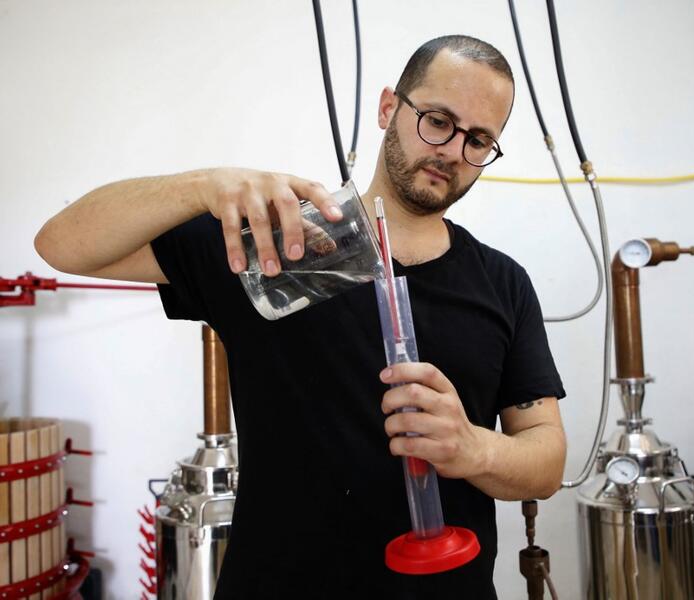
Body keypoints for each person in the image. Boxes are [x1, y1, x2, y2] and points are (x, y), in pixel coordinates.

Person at [35, 35, 566, 599]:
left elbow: (545, 458)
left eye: (479, 140)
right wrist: (205, 187)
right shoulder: (279, 246)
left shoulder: (502, 283)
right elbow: (62, 244)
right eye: (438, 120)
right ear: (390, 107)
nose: (453, 152)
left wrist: (473, 447)